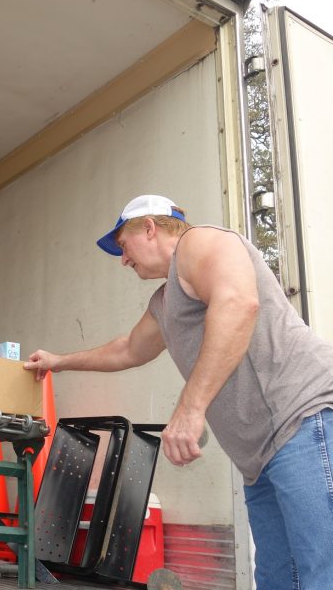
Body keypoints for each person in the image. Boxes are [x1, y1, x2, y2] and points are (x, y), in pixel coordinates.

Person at [23, 194, 333, 589]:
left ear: (150, 227)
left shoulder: (201, 242)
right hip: (261, 458)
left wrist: (191, 408)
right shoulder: (164, 300)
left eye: (123, 245)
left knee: (322, 570)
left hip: (305, 422)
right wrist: (58, 361)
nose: (123, 259)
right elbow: (129, 349)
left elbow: (238, 302)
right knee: (278, 578)